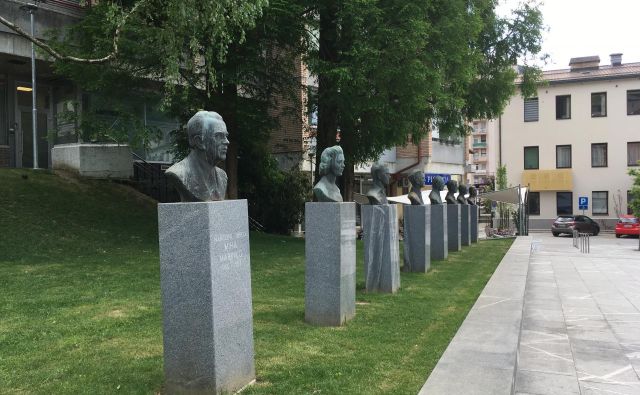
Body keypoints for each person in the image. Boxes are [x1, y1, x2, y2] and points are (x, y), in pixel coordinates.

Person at [165, 111, 229, 202]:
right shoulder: (179, 173)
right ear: (199, 142)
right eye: (219, 136)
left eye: (226, 136)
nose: (227, 141)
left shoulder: (222, 176)